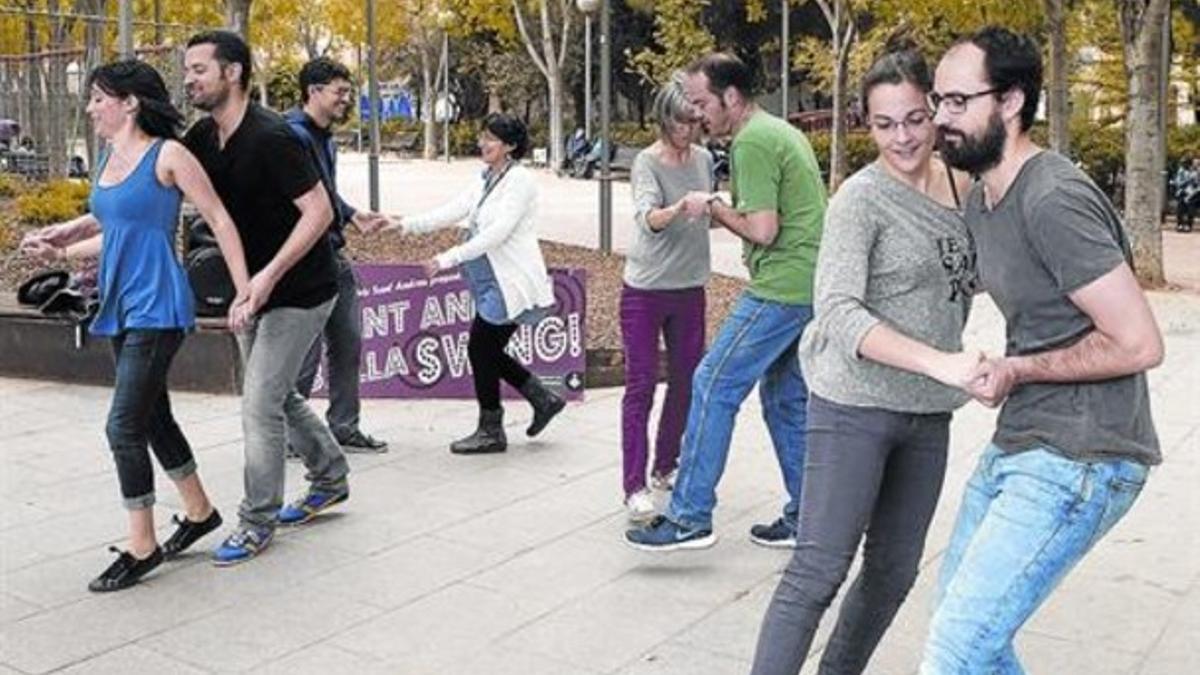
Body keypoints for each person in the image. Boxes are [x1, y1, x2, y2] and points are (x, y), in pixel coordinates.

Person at [921, 27, 1163, 672]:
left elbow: (1139, 342)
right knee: (968, 635)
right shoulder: (981, 199)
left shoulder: (1053, 196)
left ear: (1010, 102)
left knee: (955, 650)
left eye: (956, 101)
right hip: (1024, 439)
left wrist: (1017, 369)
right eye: (937, 101)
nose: (940, 118)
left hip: (1084, 455)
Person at [749, 48, 979, 675]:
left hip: (928, 413)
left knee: (894, 573)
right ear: (867, 125)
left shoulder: (965, 187)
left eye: (913, 118)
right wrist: (941, 361)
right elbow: (839, 313)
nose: (902, 137)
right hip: (853, 406)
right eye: (884, 124)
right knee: (819, 568)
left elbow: (971, 278)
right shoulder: (860, 199)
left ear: (935, 110)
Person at [19, 60, 254, 591]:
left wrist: (245, 290)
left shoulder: (168, 155)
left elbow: (217, 219)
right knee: (151, 417)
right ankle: (199, 512)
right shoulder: (107, 156)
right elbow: (112, 222)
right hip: (120, 303)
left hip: (158, 305)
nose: (90, 107)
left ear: (129, 102)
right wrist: (61, 237)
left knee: (122, 425)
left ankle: (142, 544)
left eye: (99, 98)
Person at [625, 52, 827, 551]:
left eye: (701, 103)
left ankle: (690, 517)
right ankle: (810, 517)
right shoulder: (779, 131)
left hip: (782, 287)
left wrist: (712, 206)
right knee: (784, 400)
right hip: (808, 284)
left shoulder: (753, 141)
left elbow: (763, 229)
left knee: (711, 382)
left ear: (731, 98)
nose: (696, 115)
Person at [182, 30, 351, 565]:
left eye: (199, 70)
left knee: (259, 403)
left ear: (232, 73)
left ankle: (257, 520)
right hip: (250, 290)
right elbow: (156, 179)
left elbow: (320, 212)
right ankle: (330, 475)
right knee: (275, 393)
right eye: (188, 70)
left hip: (302, 291)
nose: (190, 79)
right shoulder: (203, 138)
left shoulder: (273, 136)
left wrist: (270, 276)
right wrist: (76, 230)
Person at [367, 113, 564, 454]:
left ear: (511, 146)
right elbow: (453, 209)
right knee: (485, 349)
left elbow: (498, 233)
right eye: (483, 136)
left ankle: (494, 428)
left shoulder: (519, 181)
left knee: (480, 348)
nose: (482, 143)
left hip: (509, 283)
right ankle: (541, 398)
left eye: (491, 139)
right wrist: (402, 224)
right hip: (489, 281)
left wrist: (446, 259)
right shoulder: (487, 178)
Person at [620, 73, 714, 523]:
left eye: (693, 121)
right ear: (663, 118)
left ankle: (665, 465)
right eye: (680, 121)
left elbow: (709, 219)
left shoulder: (704, 159)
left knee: (686, 382)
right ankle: (633, 484)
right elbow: (648, 220)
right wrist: (680, 208)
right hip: (646, 289)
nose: (687, 129)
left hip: (690, 286)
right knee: (640, 386)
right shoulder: (647, 163)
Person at [285, 57, 388, 454]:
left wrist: (352, 215)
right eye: (340, 92)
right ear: (313, 92)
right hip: (306, 260)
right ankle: (293, 435)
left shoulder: (324, 136)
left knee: (348, 340)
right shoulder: (292, 135)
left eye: (348, 92)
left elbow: (322, 191)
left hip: (332, 254)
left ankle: (344, 426)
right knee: (304, 352)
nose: (347, 100)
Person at [1172, 158, 1198, 232]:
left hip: (1191, 193)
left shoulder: (1195, 172)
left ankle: (1189, 225)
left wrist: (1194, 189)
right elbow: (1178, 183)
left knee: (1190, 209)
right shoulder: (1181, 172)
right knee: (1180, 209)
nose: (1183, 165)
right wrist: (1188, 180)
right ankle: (1180, 224)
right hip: (1182, 192)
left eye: (1185, 163)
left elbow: (1196, 184)